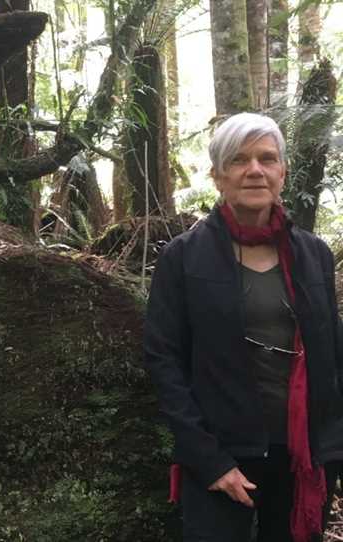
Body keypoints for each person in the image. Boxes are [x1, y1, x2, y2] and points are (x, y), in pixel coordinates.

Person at [144, 112, 343, 542]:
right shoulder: (184, 258)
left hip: (304, 456)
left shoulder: (313, 255)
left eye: (267, 158)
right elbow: (164, 362)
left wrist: (334, 447)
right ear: (218, 176)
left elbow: (332, 356)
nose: (255, 170)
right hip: (222, 455)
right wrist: (209, 460)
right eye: (239, 160)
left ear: (282, 173)